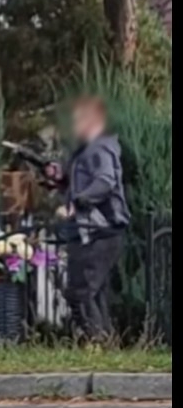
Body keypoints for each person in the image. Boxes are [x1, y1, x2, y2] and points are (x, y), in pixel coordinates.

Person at [44, 96, 131, 342]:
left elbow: (105, 181)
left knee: (81, 292)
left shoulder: (100, 147)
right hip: (90, 230)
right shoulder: (84, 151)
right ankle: (104, 343)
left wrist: (78, 202)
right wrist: (57, 176)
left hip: (101, 230)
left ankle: (98, 342)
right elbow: (74, 182)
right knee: (94, 292)